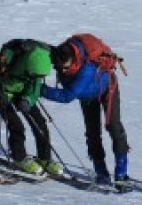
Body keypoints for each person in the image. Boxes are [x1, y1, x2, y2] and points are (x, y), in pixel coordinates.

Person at [40, 36, 130, 186]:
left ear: (72, 58)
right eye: (59, 66)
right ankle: (101, 172)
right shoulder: (60, 55)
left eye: (65, 66)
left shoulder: (86, 68)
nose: (62, 69)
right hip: (87, 95)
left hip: (107, 88)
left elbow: (67, 96)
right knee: (92, 132)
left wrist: (39, 89)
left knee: (114, 127)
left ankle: (121, 173)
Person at [0, 39, 63, 175]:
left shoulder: (37, 68)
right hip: (2, 92)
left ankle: (44, 158)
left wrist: (28, 100)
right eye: (33, 75)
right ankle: (19, 158)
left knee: (40, 122)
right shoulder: (7, 60)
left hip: (21, 93)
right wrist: (1, 96)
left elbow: (34, 89)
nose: (35, 77)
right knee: (16, 126)